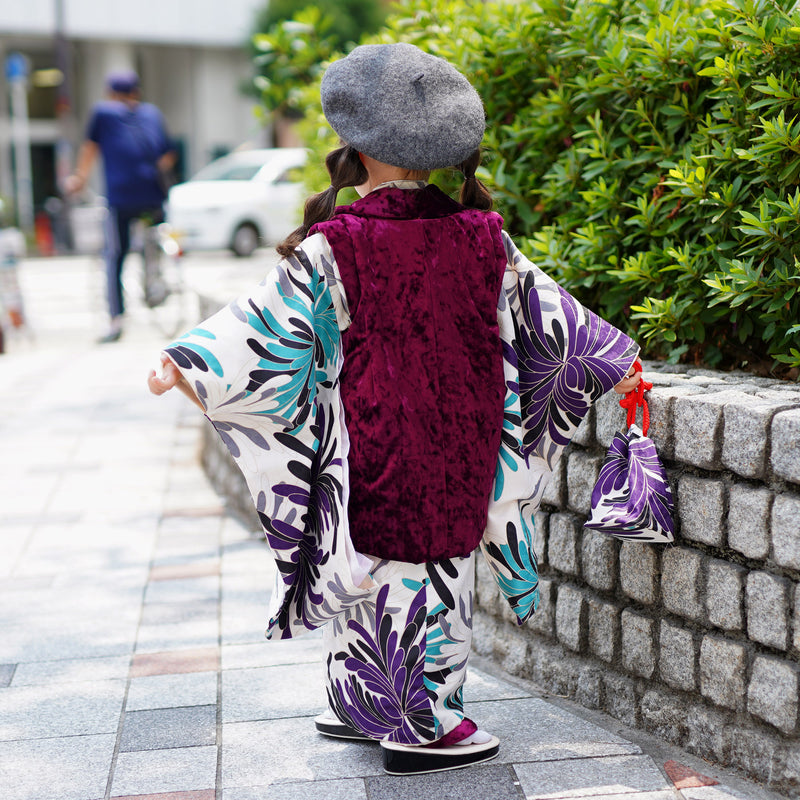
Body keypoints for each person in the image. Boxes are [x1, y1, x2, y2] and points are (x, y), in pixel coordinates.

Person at [148, 42, 643, 775]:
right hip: (460, 434)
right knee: (436, 575)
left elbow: (263, 325)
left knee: (367, 560)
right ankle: (422, 724)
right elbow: (554, 326)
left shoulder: (337, 244)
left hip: (372, 429)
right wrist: (618, 361)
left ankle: (363, 699)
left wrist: (185, 362)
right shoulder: (484, 236)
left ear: (356, 149)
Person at [66, 69, 176, 343]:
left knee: (115, 256)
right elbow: (167, 156)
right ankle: (155, 282)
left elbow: (89, 150)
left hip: (121, 199)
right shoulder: (151, 113)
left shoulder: (103, 113)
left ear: (111, 94)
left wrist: (79, 180)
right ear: (136, 93)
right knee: (153, 240)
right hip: (153, 197)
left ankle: (116, 320)